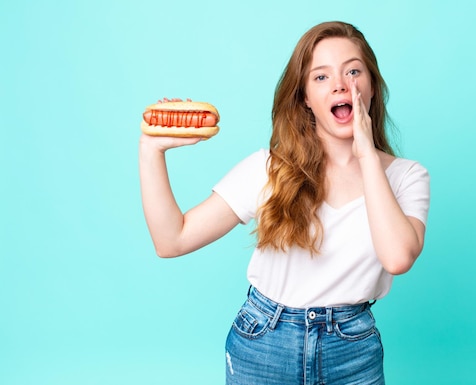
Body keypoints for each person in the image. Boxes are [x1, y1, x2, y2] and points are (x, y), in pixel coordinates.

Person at [139, 21, 430, 385]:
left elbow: (398, 257)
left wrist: (367, 155)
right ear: (305, 97)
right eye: (321, 77)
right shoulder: (268, 169)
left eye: (353, 71)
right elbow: (172, 240)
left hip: (351, 348)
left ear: (371, 86)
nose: (340, 84)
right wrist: (150, 151)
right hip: (264, 341)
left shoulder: (407, 177)